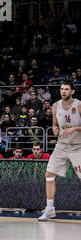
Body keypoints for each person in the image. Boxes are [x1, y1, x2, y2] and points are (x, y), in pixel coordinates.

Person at [39, 82, 81, 221]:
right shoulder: (56, 106)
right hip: (62, 145)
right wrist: (55, 128)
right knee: (49, 174)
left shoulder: (79, 105)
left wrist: (74, 128)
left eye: (66, 89)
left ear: (72, 91)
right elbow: (54, 123)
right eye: (62, 89)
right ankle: (50, 209)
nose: (63, 91)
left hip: (78, 146)